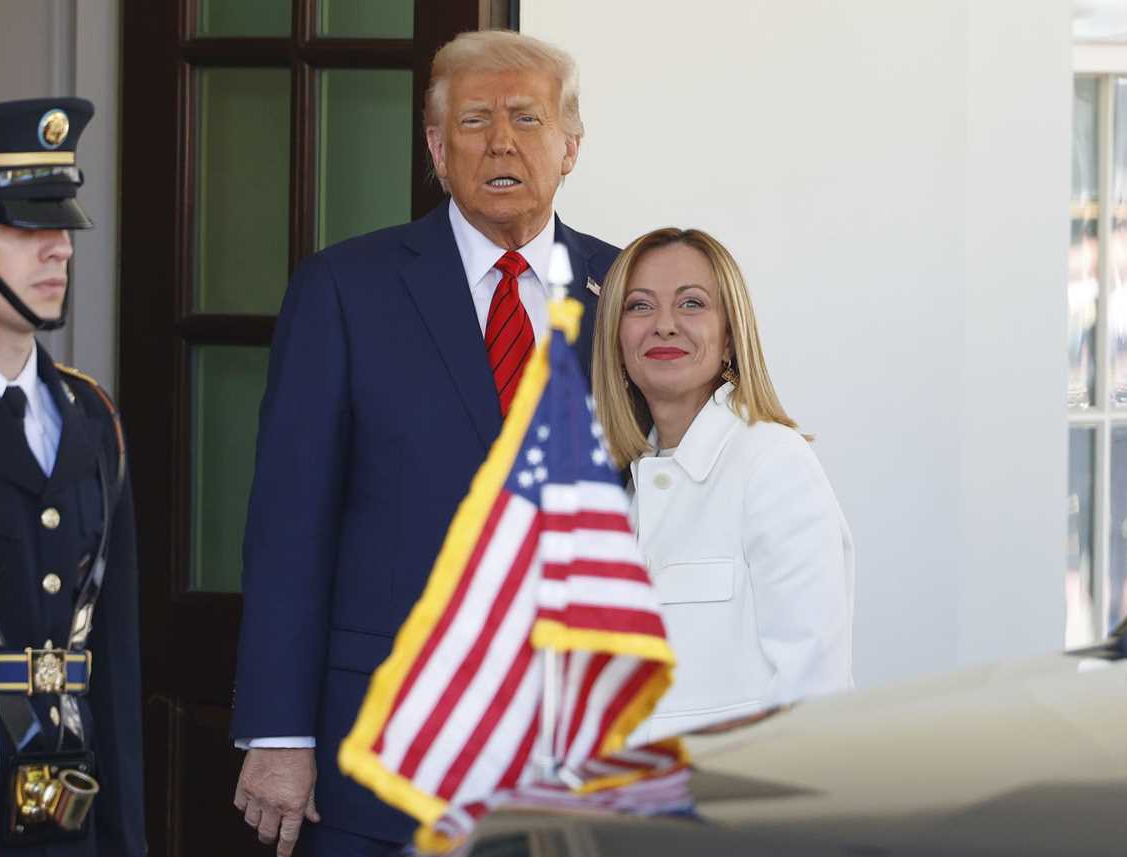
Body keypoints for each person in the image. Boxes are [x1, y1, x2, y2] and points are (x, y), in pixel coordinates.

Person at [230, 30, 619, 857]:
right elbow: (290, 525)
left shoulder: (629, 295)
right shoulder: (344, 289)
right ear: (438, 150)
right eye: (475, 121)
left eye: (527, 117)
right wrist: (278, 731)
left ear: (571, 146)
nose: (502, 141)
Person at [590, 227, 854, 743]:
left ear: (730, 336)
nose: (665, 325)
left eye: (691, 303)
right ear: (616, 341)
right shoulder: (623, 494)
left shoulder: (772, 462)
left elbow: (814, 692)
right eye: (640, 307)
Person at [0, 98, 145, 855]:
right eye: (24, 225)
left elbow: (114, 665)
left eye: (63, 225)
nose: (60, 249)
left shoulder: (92, 417)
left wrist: (125, 840)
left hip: (67, 815)